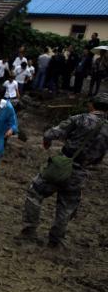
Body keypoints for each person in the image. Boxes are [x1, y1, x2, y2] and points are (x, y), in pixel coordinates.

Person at [17, 93, 108, 248]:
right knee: (67, 207)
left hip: (61, 164)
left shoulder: (80, 119)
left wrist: (47, 141)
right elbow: (100, 157)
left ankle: (29, 229)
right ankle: (56, 239)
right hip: (81, 171)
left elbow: (51, 133)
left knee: (35, 192)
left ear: (92, 105)